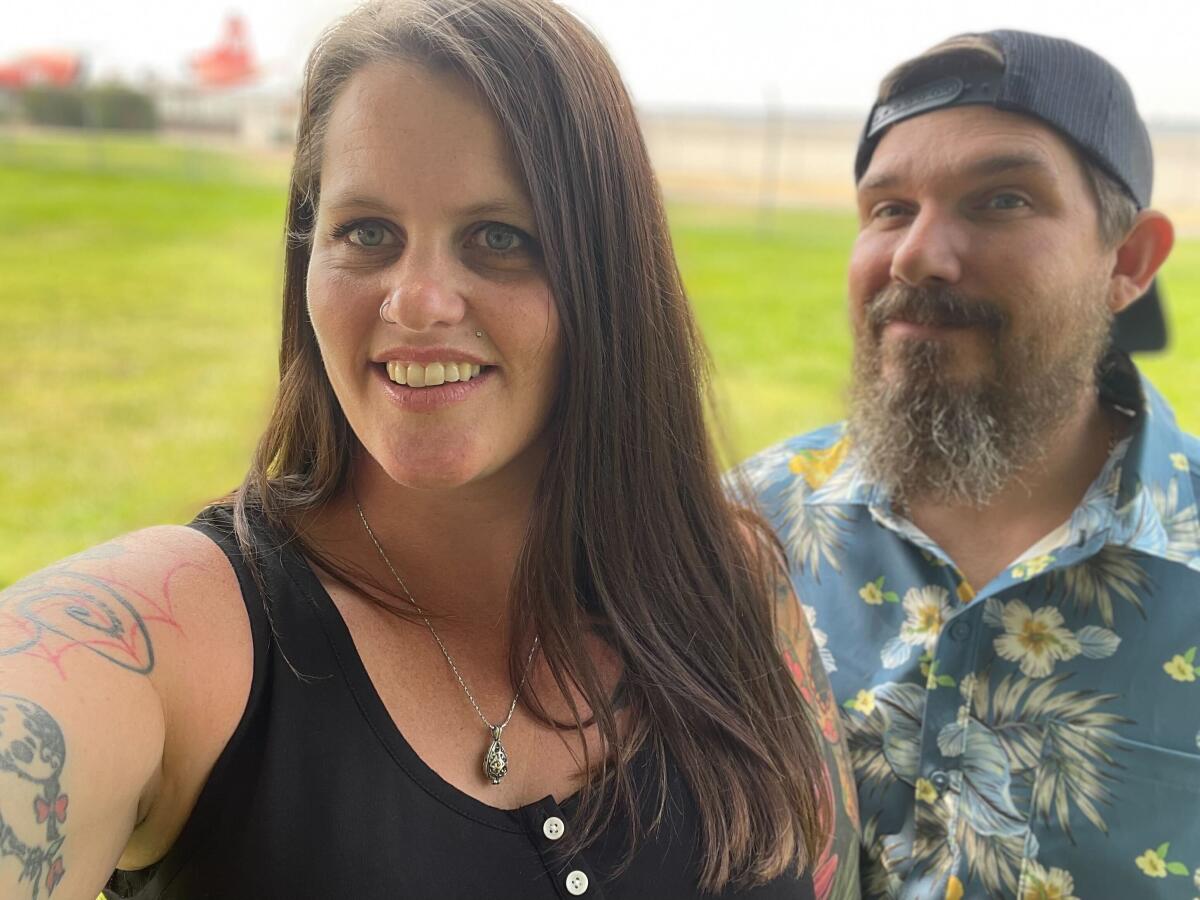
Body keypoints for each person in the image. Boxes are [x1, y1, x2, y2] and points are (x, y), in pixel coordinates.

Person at [0, 1, 860, 898]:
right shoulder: (179, 639)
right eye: (366, 232)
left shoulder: (733, 583)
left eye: (499, 237)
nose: (415, 302)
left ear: (608, 276)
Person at [738, 30, 1193, 900]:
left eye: (1003, 201)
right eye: (889, 209)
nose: (915, 254)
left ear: (1128, 262)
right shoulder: (745, 531)